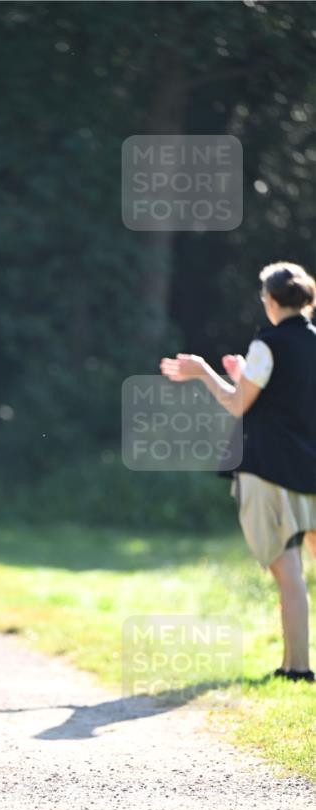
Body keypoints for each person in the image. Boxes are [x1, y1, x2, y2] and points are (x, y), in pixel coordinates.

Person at [160, 261, 316, 683]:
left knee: (288, 573)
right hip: (311, 470)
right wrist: (242, 376)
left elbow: (236, 404)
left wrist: (203, 372)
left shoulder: (268, 343)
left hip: (270, 470)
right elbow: (291, 398)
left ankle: (298, 668)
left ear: (271, 300)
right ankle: (295, 666)